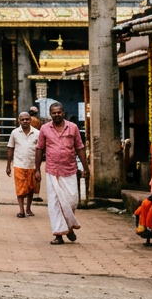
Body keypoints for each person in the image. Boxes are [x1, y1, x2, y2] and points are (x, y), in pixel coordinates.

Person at [36, 102, 90, 245]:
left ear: (63, 113)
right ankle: (59, 234)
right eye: (54, 113)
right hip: (52, 171)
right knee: (55, 204)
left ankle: (69, 227)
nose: (56, 115)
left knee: (71, 201)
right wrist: (37, 170)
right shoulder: (44, 129)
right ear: (50, 114)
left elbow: (80, 148)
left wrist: (86, 168)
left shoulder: (73, 127)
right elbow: (39, 149)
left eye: (59, 112)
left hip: (70, 170)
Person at [7, 112, 40, 218]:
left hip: (32, 165)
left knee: (31, 188)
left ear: (30, 120)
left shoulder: (37, 133)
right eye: (22, 119)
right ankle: (21, 210)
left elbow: (40, 150)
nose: (25, 121)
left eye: (27, 119)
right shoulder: (15, 133)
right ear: (19, 121)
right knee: (20, 188)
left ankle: (28, 209)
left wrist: (38, 168)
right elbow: (10, 148)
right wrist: (8, 165)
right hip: (19, 164)